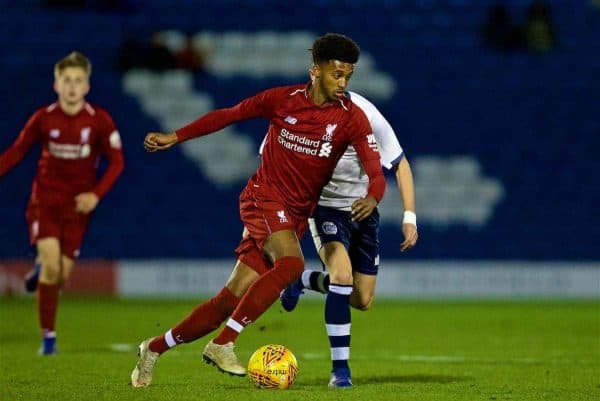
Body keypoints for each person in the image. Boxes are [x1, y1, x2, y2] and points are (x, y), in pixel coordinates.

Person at [131, 33, 386, 388]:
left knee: (228, 301)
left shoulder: (352, 119)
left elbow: (375, 170)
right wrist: (176, 136)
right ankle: (223, 344)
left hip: (294, 215)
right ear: (316, 71)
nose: (343, 83)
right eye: (336, 74)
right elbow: (229, 115)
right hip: (263, 197)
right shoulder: (282, 100)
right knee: (293, 264)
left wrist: (373, 197)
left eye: (348, 76)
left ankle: (153, 348)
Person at [279, 82, 418, 387]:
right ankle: (340, 370)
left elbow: (400, 163)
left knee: (361, 298)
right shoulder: (300, 113)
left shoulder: (366, 113)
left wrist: (409, 217)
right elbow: (274, 159)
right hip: (325, 210)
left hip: (363, 212)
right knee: (342, 276)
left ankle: (302, 280)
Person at [0, 51, 125, 355]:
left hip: (77, 209)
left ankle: (42, 268)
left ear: (87, 86)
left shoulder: (100, 121)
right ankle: (49, 339)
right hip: (44, 202)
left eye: (78, 81)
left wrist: (95, 195)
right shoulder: (43, 118)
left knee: (62, 275)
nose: (72, 86)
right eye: (66, 80)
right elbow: (16, 152)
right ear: (56, 85)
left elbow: (117, 162)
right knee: (53, 268)